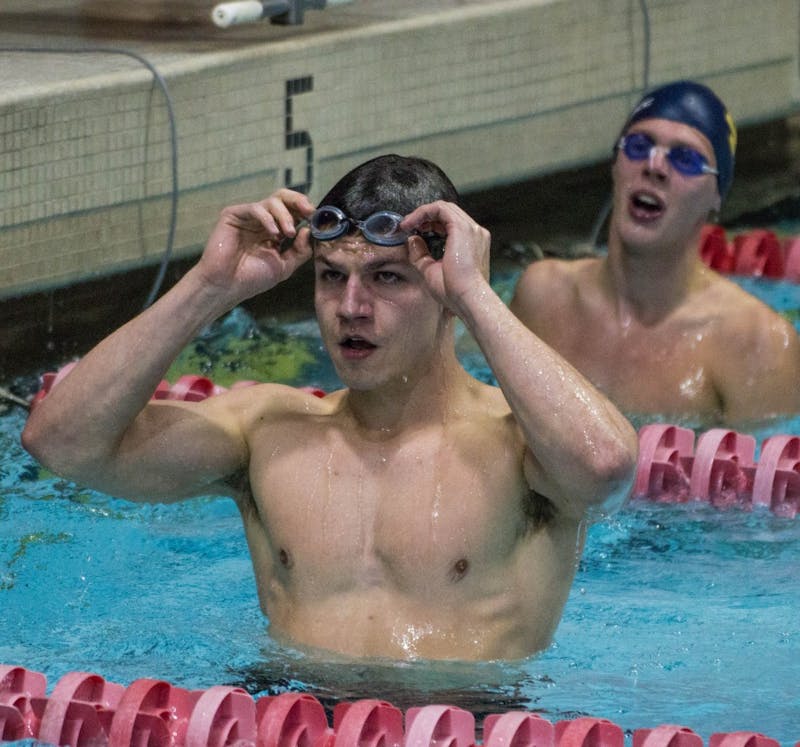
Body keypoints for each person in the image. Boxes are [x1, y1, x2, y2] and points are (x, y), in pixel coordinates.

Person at [22, 154, 637, 662]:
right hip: (287, 719)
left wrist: (477, 293)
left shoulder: (518, 447)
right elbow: (62, 443)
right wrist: (210, 286)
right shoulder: (268, 433)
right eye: (330, 276)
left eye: (388, 278)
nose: (350, 307)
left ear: (445, 288)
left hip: (468, 725)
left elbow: (606, 466)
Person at [510, 80, 800, 427]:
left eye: (686, 159)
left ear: (716, 197)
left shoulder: (758, 345)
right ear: (616, 163)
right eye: (638, 145)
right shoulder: (542, 296)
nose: (655, 166)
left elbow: (768, 473)